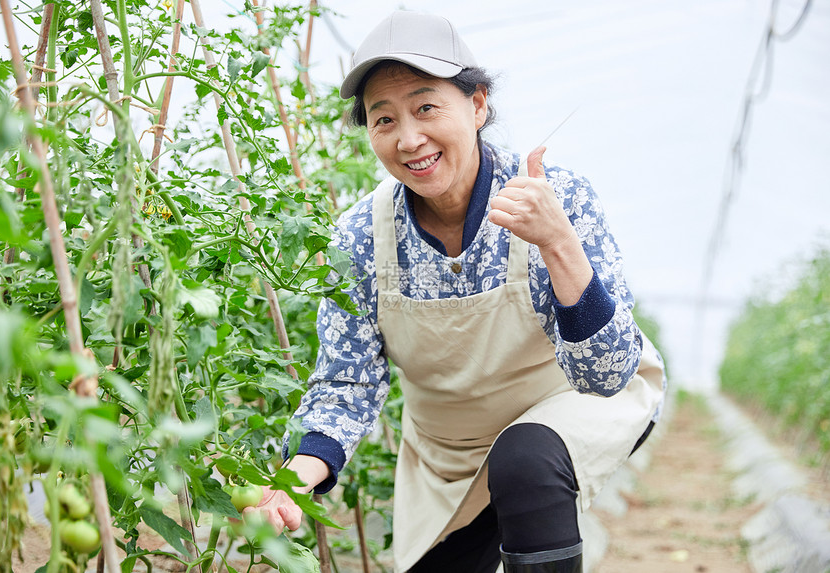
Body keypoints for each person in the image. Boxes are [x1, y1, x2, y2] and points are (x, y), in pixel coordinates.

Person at [243, 10, 667, 573]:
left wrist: (558, 242)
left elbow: (606, 378)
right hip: (449, 455)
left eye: (426, 107)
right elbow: (347, 382)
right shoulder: (363, 235)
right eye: (384, 119)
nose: (409, 138)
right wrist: (295, 479)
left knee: (525, 460)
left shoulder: (553, 197)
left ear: (477, 104)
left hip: (565, 413)